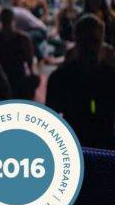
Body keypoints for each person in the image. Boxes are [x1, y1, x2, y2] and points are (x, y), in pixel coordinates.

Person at [47, 15, 115, 149]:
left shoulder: (60, 77)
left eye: (93, 41)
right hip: (103, 143)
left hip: (75, 142)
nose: (89, 47)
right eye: (86, 41)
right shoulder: (110, 76)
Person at [0, 9, 37, 100]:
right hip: (2, 76)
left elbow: (30, 62)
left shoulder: (23, 39)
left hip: (17, 75)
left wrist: (32, 74)